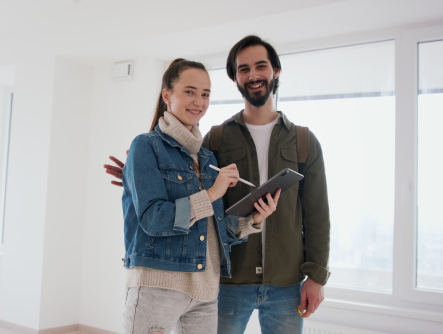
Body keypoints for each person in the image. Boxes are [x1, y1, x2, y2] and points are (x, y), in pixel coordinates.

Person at [104, 35, 330, 334]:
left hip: (273, 283)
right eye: (243, 69)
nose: (253, 75)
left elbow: (317, 214)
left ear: (276, 70)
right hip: (225, 281)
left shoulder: (301, 141)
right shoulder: (215, 140)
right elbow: (181, 199)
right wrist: (139, 179)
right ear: (235, 77)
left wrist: (315, 275)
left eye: (260, 66)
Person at [120, 58, 280, 334]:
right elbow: (153, 219)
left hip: (206, 290)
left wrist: (253, 219)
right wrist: (213, 192)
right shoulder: (146, 146)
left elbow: (210, 227)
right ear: (167, 95)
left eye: (205, 94)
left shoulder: (207, 158)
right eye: (190, 91)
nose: (199, 101)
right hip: (159, 287)